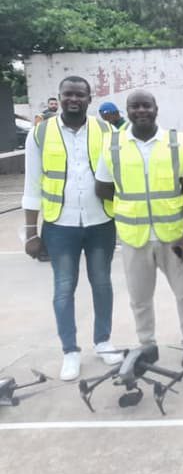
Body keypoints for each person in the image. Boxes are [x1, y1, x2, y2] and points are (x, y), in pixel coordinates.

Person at [22, 76, 122, 381]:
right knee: (64, 289)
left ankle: (103, 342)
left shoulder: (106, 131)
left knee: (102, 283)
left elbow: (120, 175)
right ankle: (70, 351)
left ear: (89, 99)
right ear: (59, 97)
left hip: (100, 223)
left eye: (80, 95)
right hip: (59, 225)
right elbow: (32, 184)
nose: (73, 99)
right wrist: (30, 232)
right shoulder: (39, 133)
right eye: (68, 95)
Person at [95, 89, 183, 368]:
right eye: (135, 106)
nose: (141, 111)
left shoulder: (176, 142)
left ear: (156, 109)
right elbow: (102, 188)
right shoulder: (112, 144)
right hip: (134, 237)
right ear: (126, 111)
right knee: (139, 299)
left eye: (146, 105)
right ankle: (147, 345)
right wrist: (132, 206)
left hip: (173, 236)